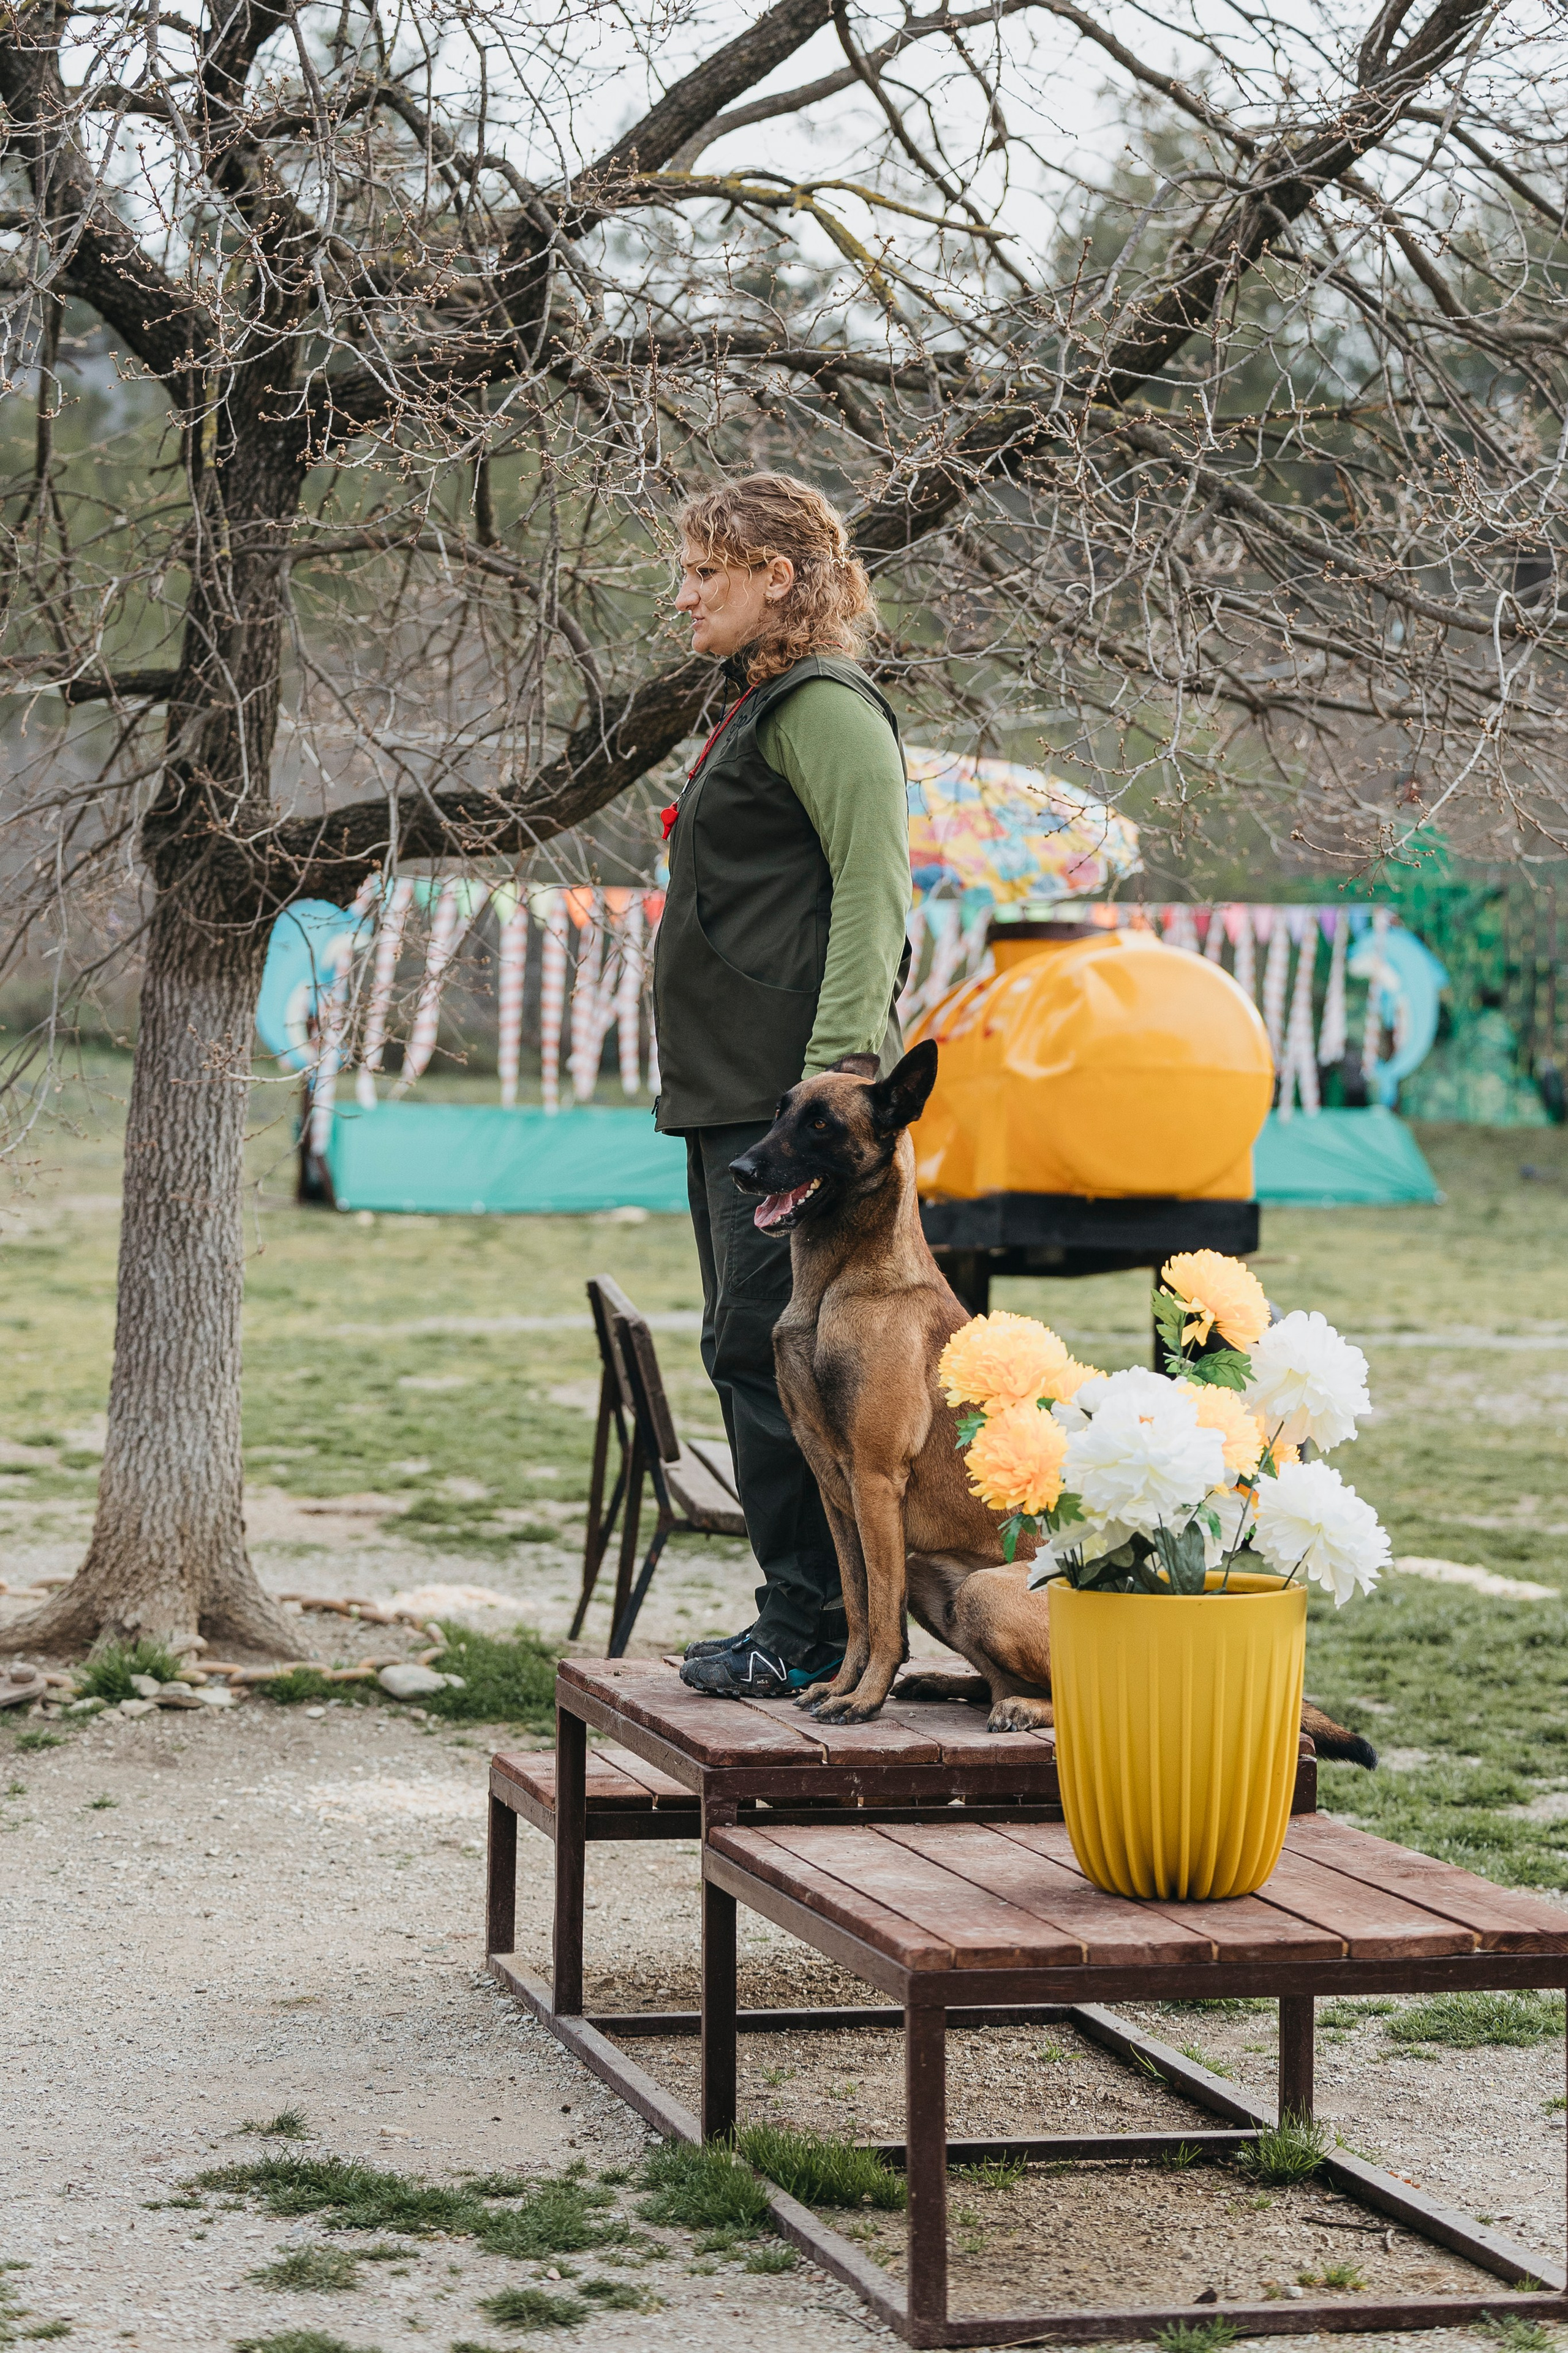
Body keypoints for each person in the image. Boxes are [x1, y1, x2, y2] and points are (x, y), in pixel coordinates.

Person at [652, 473, 911, 1699]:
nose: (686, 591)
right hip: (728, 1095)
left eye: (711, 568)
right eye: (688, 567)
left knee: (782, 1354)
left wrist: (845, 1063)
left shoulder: (823, 707)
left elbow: (873, 884)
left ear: (782, 582)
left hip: (792, 1109)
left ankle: (810, 1625)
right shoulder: (749, 709)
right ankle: (805, 1612)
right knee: (748, 1348)